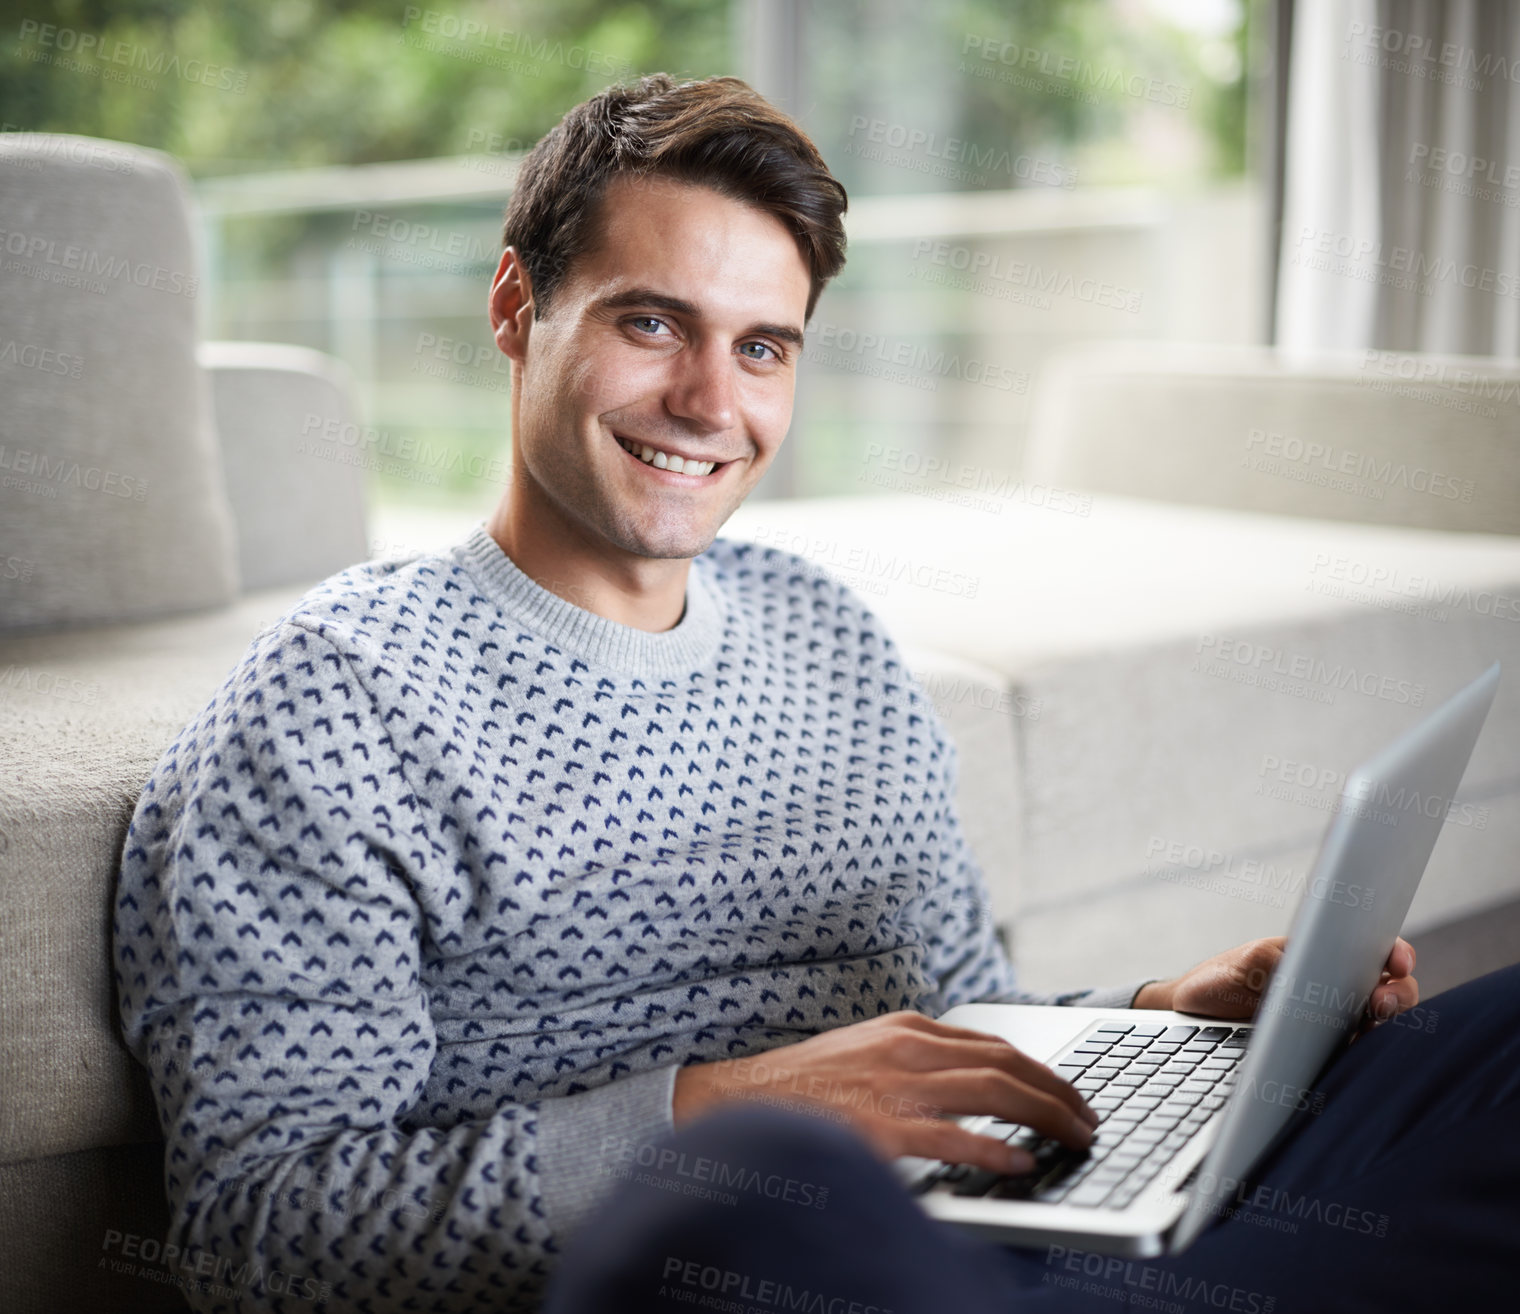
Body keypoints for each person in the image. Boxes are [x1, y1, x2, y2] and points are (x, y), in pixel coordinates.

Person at [111, 73, 1507, 1314]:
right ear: (514, 310)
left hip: (992, 1239)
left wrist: (1159, 1008)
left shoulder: (830, 636)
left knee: (1493, 1037)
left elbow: (949, 1024)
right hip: (760, 1255)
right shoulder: (328, 711)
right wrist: (724, 1113)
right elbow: (258, 1240)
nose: (712, 401)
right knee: (773, 1175)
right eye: (653, 324)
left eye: (763, 345)